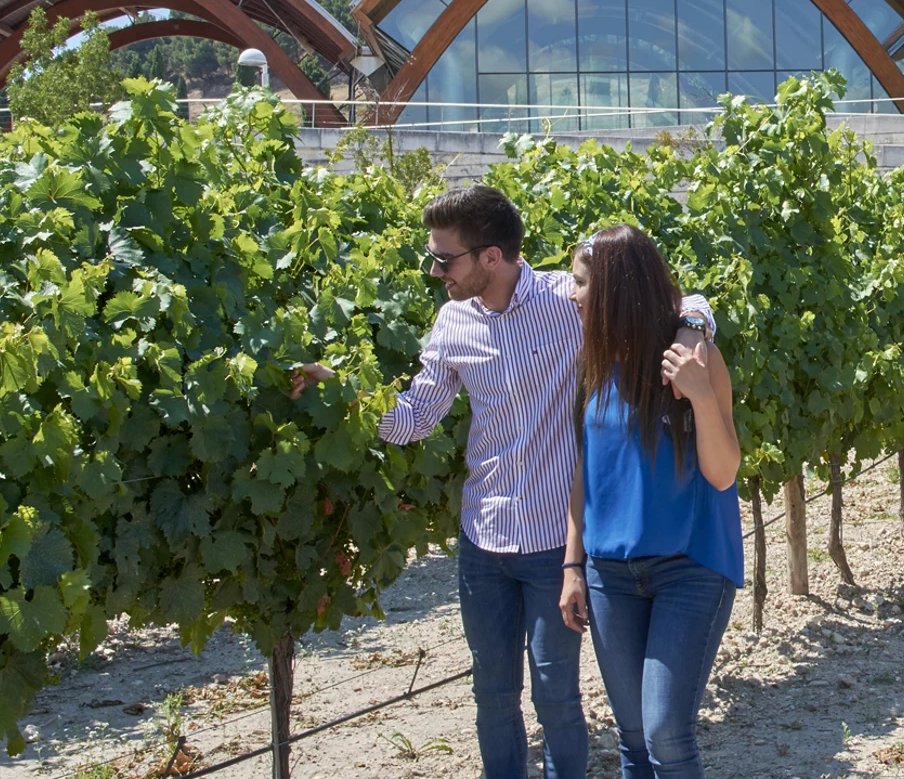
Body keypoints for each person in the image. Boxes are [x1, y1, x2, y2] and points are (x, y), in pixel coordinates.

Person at [288, 187, 714, 779]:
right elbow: (415, 417)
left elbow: (679, 300)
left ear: (491, 256)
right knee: (491, 695)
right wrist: (343, 390)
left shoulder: (568, 300)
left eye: (446, 259)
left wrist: (692, 328)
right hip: (483, 536)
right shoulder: (452, 321)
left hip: (553, 541)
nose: (435, 271)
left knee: (557, 697)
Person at [558, 224, 741, 779]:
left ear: (615, 288)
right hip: (610, 574)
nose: (572, 294)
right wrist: (573, 566)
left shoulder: (693, 357)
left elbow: (723, 471)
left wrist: (701, 394)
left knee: (665, 729)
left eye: (581, 283)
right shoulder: (594, 364)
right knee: (632, 737)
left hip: (690, 569)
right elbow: (584, 474)